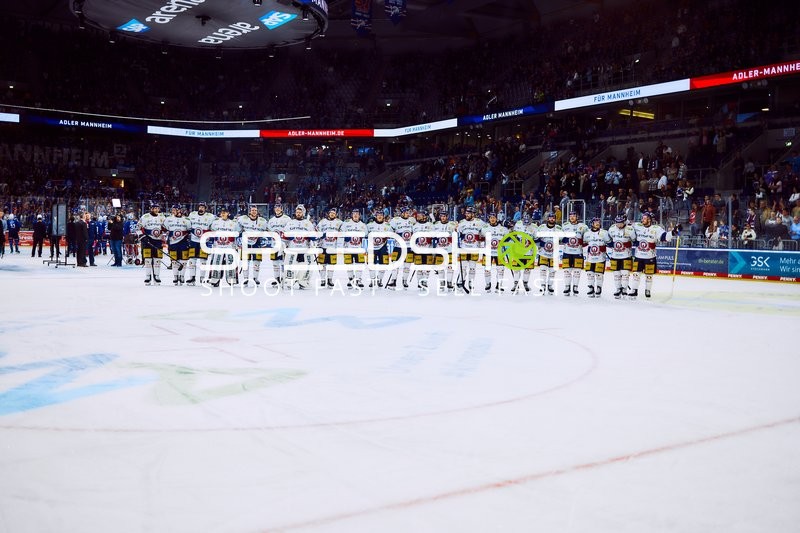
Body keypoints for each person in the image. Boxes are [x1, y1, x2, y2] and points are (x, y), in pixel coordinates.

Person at [629, 211, 677, 298]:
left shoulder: (656, 228)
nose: (642, 219)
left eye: (644, 218)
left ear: (649, 220)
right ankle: (634, 290)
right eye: (642, 218)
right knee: (636, 274)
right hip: (638, 256)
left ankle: (647, 291)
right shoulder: (637, 226)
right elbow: (627, 226)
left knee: (649, 276)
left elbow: (664, 237)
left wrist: (672, 233)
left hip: (650, 256)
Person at [456, 206, 487, 292]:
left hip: (475, 248)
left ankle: (471, 282)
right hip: (464, 248)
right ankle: (460, 283)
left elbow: (487, 229)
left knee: (472, 268)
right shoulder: (462, 222)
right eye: (466, 213)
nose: (467, 214)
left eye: (469, 213)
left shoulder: (479, 222)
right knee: (463, 267)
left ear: (473, 214)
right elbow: (458, 235)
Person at [236, 206, 268, 286]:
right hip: (245, 243)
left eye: (255, 210)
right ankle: (245, 279)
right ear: (249, 212)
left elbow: (267, 230)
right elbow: (237, 228)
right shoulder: (243, 219)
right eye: (252, 210)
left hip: (257, 243)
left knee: (257, 262)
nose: (254, 211)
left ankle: (255, 278)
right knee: (245, 261)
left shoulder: (262, 221)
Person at [607, 214, 635, 299]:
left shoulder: (630, 229)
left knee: (625, 273)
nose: (619, 224)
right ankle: (618, 289)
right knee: (616, 274)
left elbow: (634, 240)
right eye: (617, 222)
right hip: (615, 255)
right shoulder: (611, 229)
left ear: (624, 222)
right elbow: (609, 240)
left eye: (620, 222)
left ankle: (624, 289)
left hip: (626, 255)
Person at [560, 211, 588, 295]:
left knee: (577, 271)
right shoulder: (565, 226)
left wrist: (581, 242)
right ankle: (567, 287)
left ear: (577, 217)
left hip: (578, 252)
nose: (572, 217)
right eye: (570, 215)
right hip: (566, 252)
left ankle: (575, 287)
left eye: (574, 215)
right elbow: (561, 239)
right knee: (567, 271)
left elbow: (586, 239)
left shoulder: (583, 227)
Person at [387, 206, 416, 289]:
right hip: (398, 247)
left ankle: (405, 281)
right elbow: (390, 231)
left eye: (408, 212)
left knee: (407, 266)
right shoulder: (395, 220)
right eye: (406, 212)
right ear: (402, 213)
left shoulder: (412, 221)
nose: (408, 214)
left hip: (409, 247)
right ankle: (393, 280)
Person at [582, 217, 611, 297]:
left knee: (599, 274)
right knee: (590, 273)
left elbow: (610, 243)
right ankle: (591, 288)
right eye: (595, 222)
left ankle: (599, 288)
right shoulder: (587, 233)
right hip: (590, 257)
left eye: (598, 222)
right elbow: (584, 244)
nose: (597, 223)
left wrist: (603, 247)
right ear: (592, 224)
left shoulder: (604, 233)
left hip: (601, 257)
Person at [340, 208, 368, 288]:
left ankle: (358, 279)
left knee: (360, 264)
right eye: (354, 213)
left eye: (357, 213)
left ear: (359, 215)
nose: (355, 215)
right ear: (352, 215)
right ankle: (351, 279)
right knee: (349, 265)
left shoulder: (363, 225)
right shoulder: (346, 224)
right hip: (348, 248)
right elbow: (341, 234)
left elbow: (365, 236)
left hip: (359, 248)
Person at [139, 202, 166, 285]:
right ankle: (148, 276)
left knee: (157, 260)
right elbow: (138, 227)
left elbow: (166, 228)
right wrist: (142, 236)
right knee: (148, 260)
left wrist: (164, 236)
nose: (156, 210)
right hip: (148, 240)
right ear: (151, 209)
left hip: (158, 241)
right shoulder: (145, 217)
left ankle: (157, 276)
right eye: (154, 208)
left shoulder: (162, 217)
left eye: (157, 208)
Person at [164, 205, 192, 285]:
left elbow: (190, 231)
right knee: (174, 261)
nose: (173, 211)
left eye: (175, 210)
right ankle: (175, 277)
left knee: (184, 260)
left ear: (179, 210)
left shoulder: (186, 220)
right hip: (172, 243)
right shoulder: (168, 219)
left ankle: (182, 276)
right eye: (172, 210)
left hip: (183, 242)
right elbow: (164, 228)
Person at [534, 212, 560, 295]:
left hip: (554, 254)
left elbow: (563, 240)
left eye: (553, 218)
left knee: (552, 271)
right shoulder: (541, 227)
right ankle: (542, 285)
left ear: (555, 219)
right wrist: (539, 242)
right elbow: (536, 238)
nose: (551, 219)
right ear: (547, 218)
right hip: (543, 253)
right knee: (543, 270)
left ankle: (550, 286)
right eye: (550, 218)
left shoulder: (559, 228)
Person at [316, 207, 342, 287]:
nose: (332, 214)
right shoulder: (322, 222)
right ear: (328, 213)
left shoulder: (340, 223)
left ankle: (330, 279)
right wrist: (320, 236)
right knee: (322, 264)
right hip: (323, 246)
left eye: (334, 213)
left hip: (333, 247)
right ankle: (323, 279)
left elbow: (341, 234)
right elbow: (317, 231)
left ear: (336, 214)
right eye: (331, 213)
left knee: (331, 264)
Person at [267, 203, 292, 286]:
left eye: (279, 208)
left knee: (283, 262)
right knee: (275, 262)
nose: (277, 209)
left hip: (284, 243)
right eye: (276, 207)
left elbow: (290, 231)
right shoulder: (271, 220)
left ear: (282, 209)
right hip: (274, 244)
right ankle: (276, 278)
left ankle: (283, 277)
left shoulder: (287, 219)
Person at [433, 210, 458, 291]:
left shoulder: (452, 224)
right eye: (442, 216)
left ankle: (449, 283)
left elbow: (458, 233)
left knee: (450, 267)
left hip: (450, 249)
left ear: (447, 217)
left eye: (444, 216)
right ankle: (442, 283)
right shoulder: (436, 225)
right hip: (440, 250)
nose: (443, 218)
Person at [485, 212, 509, 292]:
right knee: (487, 269)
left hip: (500, 252)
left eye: (494, 217)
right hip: (488, 252)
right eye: (491, 217)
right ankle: (488, 284)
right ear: (489, 219)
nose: (492, 219)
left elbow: (508, 239)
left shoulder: (503, 229)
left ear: (497, 219)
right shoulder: (485, 228)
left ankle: (499, 285)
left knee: (500, 269)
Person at [367, 210, 392, 288]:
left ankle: (379, 280)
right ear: (376, 216)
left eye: (381, 215)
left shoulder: (387, 226)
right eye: (378, 215)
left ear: (383, 216)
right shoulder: (369, 225)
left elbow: (392, 234)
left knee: (383, 265)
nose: (380, 216)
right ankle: (372, 280)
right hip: (372, 248)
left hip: (383, 248)